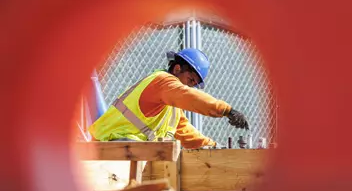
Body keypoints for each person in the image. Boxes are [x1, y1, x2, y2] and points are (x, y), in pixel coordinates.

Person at [88, 48, 249, 149]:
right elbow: (189, 97)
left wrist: (213, 146)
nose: (190, 86)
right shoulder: (162, 81)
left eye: (194, 84)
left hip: (126, 146)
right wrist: (226, 110)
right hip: (112, 143)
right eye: (191, 80)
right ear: (177, 68)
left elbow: (184, 131)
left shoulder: (170, 104)